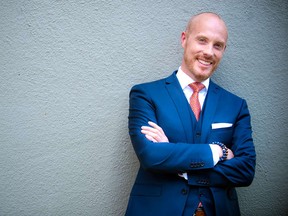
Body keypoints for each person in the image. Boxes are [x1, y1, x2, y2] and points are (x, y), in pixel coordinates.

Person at [125, 12, 256, 216]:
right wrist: (218, 152)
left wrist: (178, 162)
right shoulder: (146, 94)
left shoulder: (236, 105)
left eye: (217, 45)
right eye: (202, 40)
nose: (209, 52)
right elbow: (151, 155)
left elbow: (246, 170)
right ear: (184, 39)